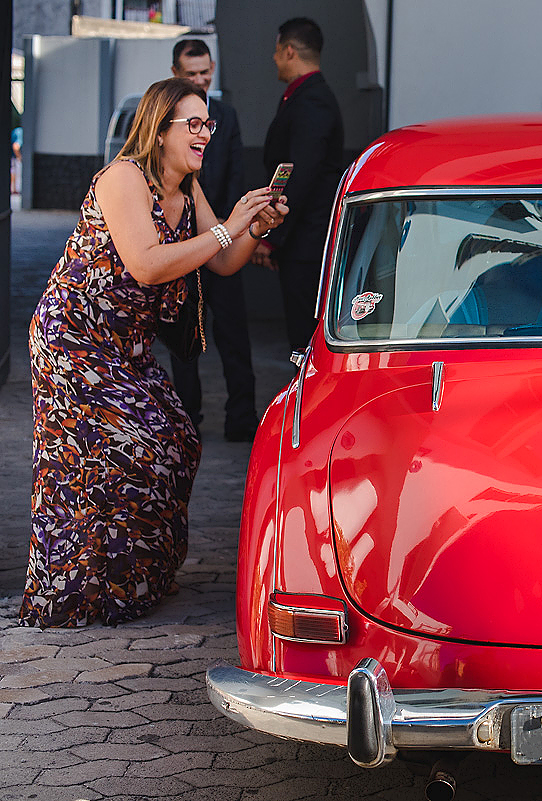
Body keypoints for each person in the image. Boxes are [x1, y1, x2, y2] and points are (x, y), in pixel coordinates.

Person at [19, 78, 288, 628]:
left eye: (207, 124)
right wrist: (229, 229)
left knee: (178, 438)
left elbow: (223, 261)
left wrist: (251, 227)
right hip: (74, 340)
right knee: (114, 454)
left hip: (127, 345)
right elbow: (145, 263)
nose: (204, 134)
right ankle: (83, 590)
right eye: (193, 124)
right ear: (159, 129)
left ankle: (140, 577)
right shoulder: (123, 179)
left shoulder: (188, 190)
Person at [168, 39, 259, 442]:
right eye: (192, 74)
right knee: (182, 337)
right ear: (176, 75)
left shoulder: (226, 115)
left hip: (221, 232)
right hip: (183, 246)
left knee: (234, 334)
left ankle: (241, 417)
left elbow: (235, 173)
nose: (201, 80)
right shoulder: (164, 125)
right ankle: (188, 419)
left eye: (206, 72)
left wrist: (233, 226)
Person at [254, 17, 345, 352]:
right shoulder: (301, 96)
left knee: (304, 336)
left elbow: (301, 174)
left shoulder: (312, 100)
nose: (274, 59)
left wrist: (272, 236)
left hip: (306, 241)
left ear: (289, 50)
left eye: (277, 51)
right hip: (298, 237)